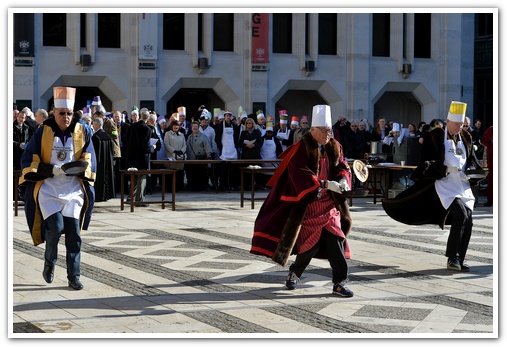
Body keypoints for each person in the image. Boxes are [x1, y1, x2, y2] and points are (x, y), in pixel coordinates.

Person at [251, 104, 354, 297]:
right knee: (310, 245)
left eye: (330, 130)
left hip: (329, 206)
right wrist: (323, 184)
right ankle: (294, 273)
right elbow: (299, 173)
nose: (327, 134)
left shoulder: (335, 146)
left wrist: (341, 180)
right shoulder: (301, 148)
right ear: (313, 130)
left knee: (337, 239)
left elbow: (343, 166)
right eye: (324, 131)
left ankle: (339, 282)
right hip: (309, 204)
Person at [382, 101, 483, 272]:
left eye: (462, 124)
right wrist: (444, 169)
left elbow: (473, 161)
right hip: (444, 185)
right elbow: (426, 163)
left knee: (469, 220)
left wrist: (475, 174)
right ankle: (453, 258)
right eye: (457, 124)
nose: (460, 127)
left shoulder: (466, 138)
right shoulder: (436, 136)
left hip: (462, 185)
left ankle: (460, 257)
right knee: (460, 214)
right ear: (448, 122)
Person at [19, 86, 96, 290]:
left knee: (74, 234)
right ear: (54, 112)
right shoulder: (42, 131)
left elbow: (89, 157)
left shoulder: (83, 130)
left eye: (69, 114)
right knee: (55, 227)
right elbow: (29, 159)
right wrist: (50, 169)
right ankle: (49, 262)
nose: (66, 117)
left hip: (72, 189)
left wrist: (80, 168)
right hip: (49, 189)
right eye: (62, 114)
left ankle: (74, 275)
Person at [125, 109, 156, 205]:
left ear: (140, 116)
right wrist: (152, 147)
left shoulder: (132, 126)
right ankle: (139, 199)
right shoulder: (147, 129)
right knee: (142, 178)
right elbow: (145, 146)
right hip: (142, 157)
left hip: (131, 155)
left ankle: (131, 197)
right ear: (148, 118)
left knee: (133, 176)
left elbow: (127, 139)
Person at [91, 117, 115, 202]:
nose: (92, 125)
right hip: (107, 162)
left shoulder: (95, 137)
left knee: (99, 179)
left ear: (97, 124)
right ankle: (106, 195)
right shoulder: (108, 136)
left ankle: (99, 195)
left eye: (93, 123)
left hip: (99, 162)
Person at [185, 121, 212, 191]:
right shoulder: (189, 137)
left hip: (200, 160)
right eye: (193, 126)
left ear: (198, 127)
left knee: (200, 174)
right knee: (192, 174)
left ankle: (201, 187)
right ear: (191, 128)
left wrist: (208, 155)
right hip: (191, 159)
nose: (195, 128)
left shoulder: (203, 137)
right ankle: (193, 187)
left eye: (196, 126)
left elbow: (207, 147)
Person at [164, 120, 187, 191]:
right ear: (172, 126)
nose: (176, 127)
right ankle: (170, 188)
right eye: (174, 125)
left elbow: (184, 145)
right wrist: (174, 151)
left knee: (179, 173)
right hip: (171, 156)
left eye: (177, 125)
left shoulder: (182, 134)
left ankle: (179, 187)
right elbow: (166, 144)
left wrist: (181, 151)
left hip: (180, 157)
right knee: (171, 172)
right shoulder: (168, 134)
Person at [481, 125, 493, 207]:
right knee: (492, 181)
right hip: (493, 159)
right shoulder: (491, 129)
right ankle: (491, 200)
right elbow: (483, 141)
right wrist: (491, 141)